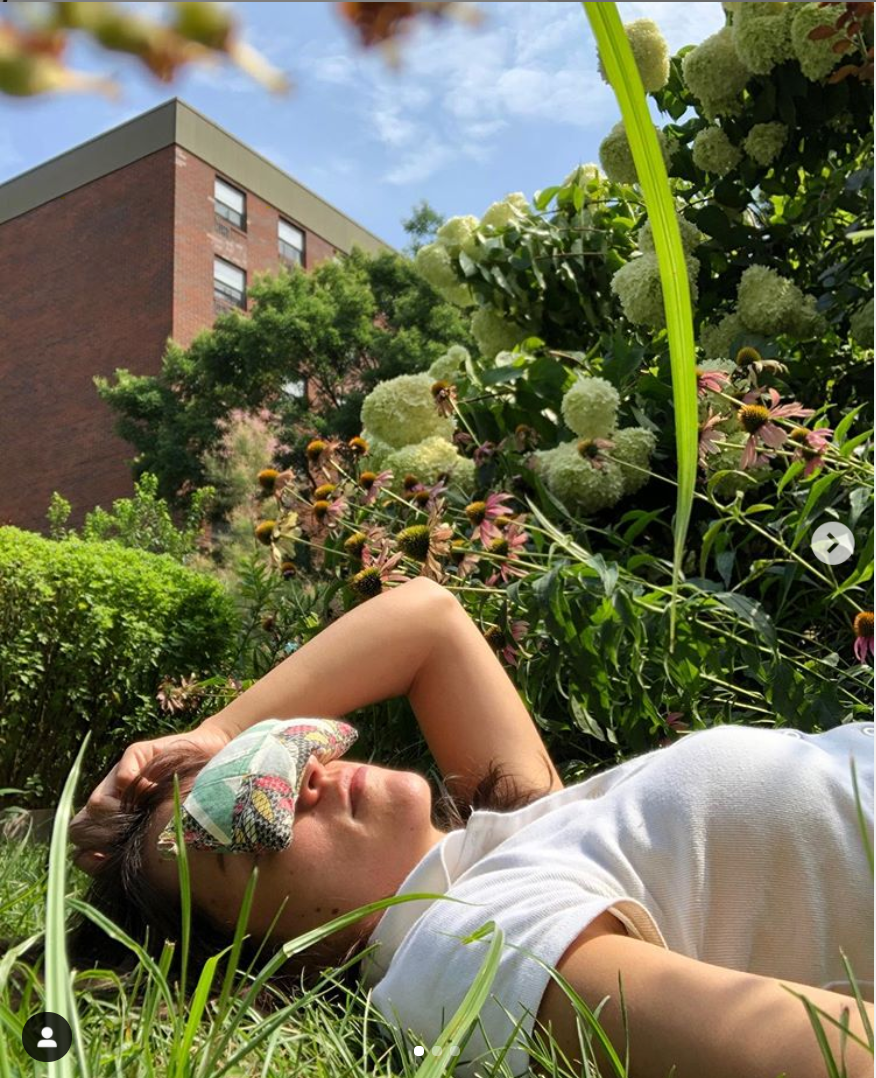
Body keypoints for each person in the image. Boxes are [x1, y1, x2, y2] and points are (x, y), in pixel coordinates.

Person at [70, 576, 875, 1078]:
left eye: (256, 763)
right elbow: (814, 1051)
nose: (291, 780)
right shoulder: (467, 945)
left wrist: (210, 739)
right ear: (283, 965)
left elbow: (427, 620)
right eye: (241, 824)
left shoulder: (513, 838)